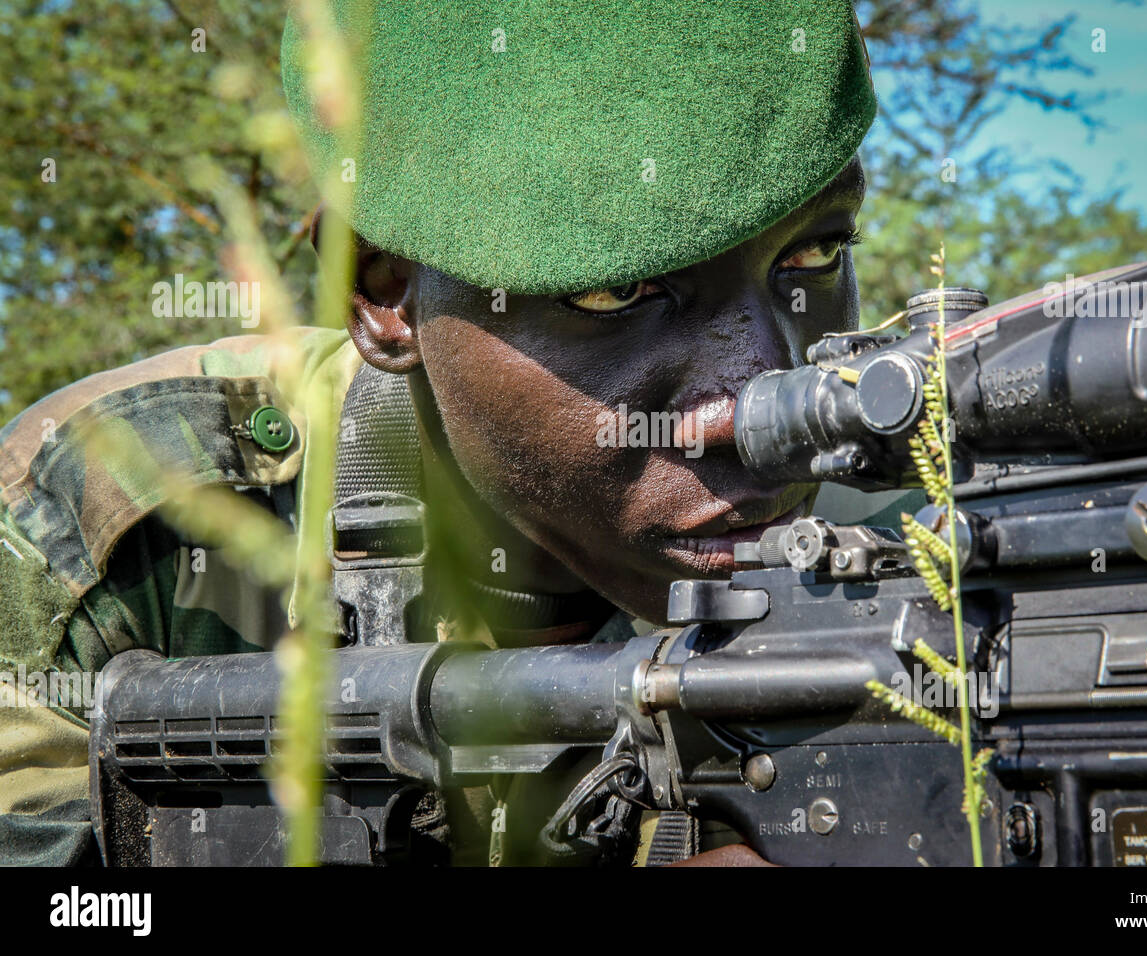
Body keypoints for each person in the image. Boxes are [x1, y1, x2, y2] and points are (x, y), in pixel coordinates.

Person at [0, 0, 903, 865]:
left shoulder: (930, 546)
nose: (759, 405)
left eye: (814, 254)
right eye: (617, 292)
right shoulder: (123, 512)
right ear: (385, 295)